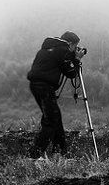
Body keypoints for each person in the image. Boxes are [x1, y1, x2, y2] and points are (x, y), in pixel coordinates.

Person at [27, 30, 83, 159]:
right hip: (45, 87)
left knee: (54, 117)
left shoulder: (47, 48)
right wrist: (77, 59)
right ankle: (34, 155)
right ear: (70, 43)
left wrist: (71, 57)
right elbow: (71, 73)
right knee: (51, 120)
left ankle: (60, 152)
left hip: (35, 85)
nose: (75, 49)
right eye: (75, 46)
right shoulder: (63, 51)